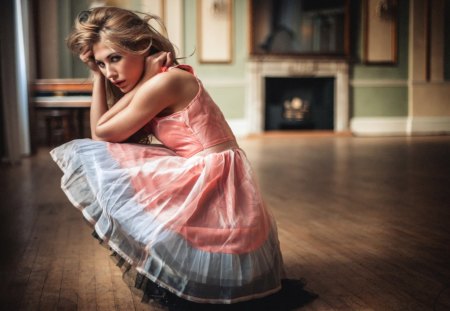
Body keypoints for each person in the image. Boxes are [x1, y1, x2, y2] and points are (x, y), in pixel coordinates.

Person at [50, 6, 289, 308]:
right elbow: (103, 131)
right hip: (203, 165)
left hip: (212, 174)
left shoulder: (167, 81)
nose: (110, 72)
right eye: (101, 63)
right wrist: (97, 75)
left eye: (115, 58)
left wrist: (148, 79)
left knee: (101, 155)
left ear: (141, 46)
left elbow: (100, 133)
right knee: (112, 157)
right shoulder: (155, 81)